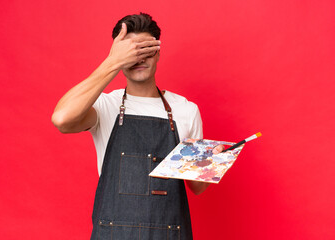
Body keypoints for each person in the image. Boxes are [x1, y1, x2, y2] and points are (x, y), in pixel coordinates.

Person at [52, 13, 224, 240]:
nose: (138, 58)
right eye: (131, 52)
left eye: (145, 50)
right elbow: (62, 119)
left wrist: (211, 163)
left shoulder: (185, 110)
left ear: (158, 52)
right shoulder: (106, 106)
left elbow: (198, 187)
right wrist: (112, 62)